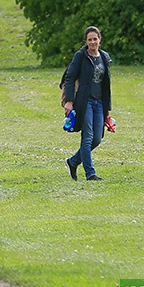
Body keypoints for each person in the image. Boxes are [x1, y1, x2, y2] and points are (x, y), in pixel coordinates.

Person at [62, 26, 112, 181]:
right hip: (85, 101)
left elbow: (106, 84)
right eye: (89, 39)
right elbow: (69, 78)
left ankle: (73, 161)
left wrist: (108, 108)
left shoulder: (104, 57)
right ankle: (90, 173)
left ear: (100, 40)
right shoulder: (80, 56)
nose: (92, 42)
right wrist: (69, 101)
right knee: (88, 137)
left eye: (95, 39)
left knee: (97, 138)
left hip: (100, 102)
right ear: (86, 41)